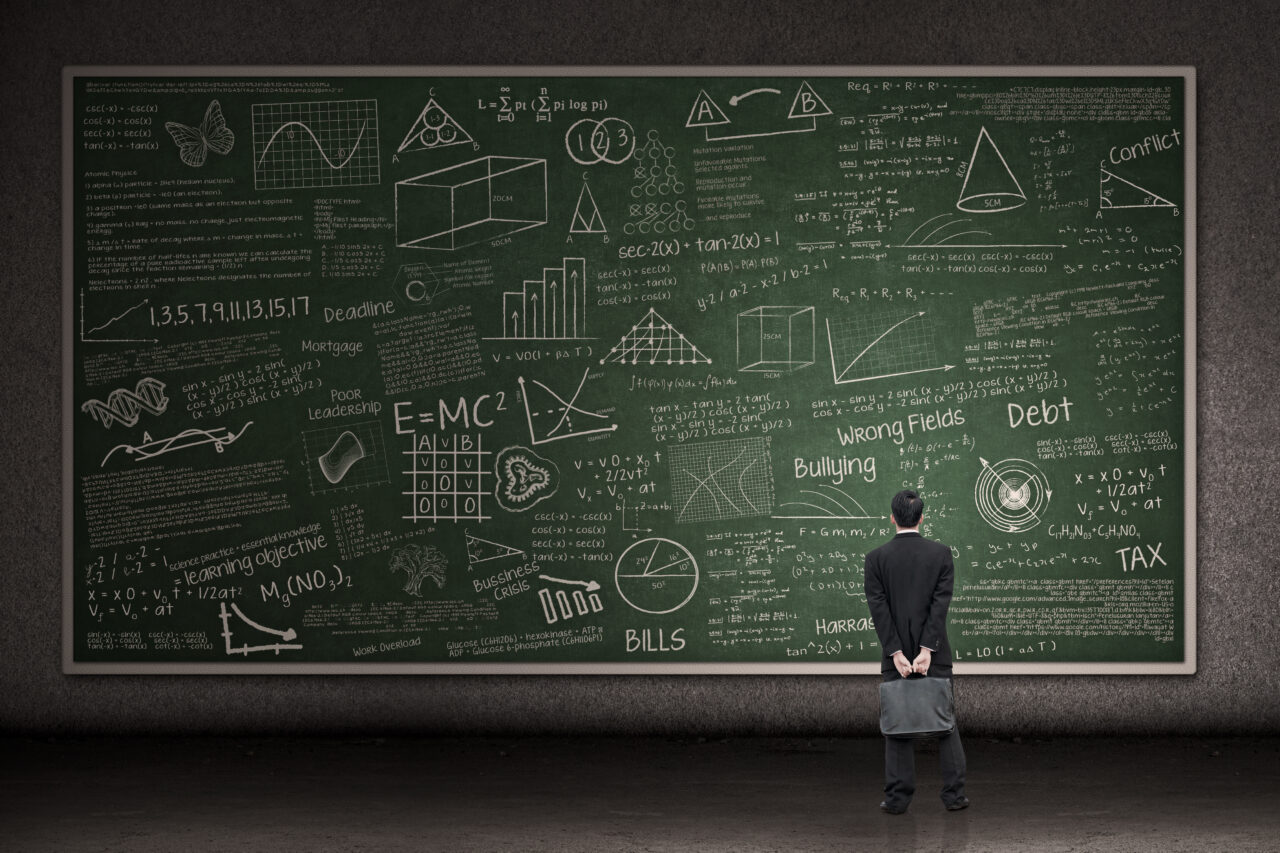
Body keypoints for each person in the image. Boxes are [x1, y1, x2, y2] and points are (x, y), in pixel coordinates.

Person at [863, 488, 969, 814]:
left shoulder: (875, 558)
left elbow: (878, 610)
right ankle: (954, 797)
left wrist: (896, 653)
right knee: (945, 723)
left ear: (892, 517)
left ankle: (897, 800)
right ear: (922, 517)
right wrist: (927, 650)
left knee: (897, 724)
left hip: (895, 655)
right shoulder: (941, 554)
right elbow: (940, 607)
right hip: (934, 653)